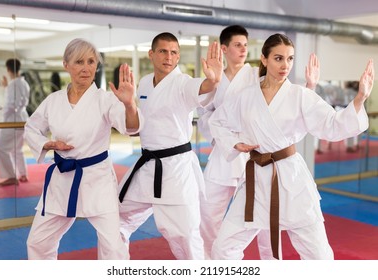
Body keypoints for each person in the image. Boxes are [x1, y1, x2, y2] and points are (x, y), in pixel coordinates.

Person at [209, 33, 374, 260]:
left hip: (291, 180)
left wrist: (359, 99)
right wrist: (234, 143)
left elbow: (332, 125)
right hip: (255, 182)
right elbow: (218, 121)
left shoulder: (301, 95)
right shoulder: (245, 96)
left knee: (319, 255)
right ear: (264, 59)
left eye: (290, 59)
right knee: (222, 249)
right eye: (278, 58)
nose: (285, 65)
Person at [197, 25, 320, 260]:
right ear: (224, 49)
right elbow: (206, 115)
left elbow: (286, 101)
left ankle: (271, 266)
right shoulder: (215, 78)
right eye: (237, 44)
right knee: (210, 217)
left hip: (257, 154)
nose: (243, 49)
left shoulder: (257, 75)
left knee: (266, 222)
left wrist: (310, 87)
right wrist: (229, 138)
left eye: (246, 44)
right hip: (226, 153)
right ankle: (212, 264)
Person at [24, 38, 142, 260]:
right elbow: (31, 128)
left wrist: (129, 105)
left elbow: (131, 126)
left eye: (91, 61)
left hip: (96, 179)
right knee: (38, 241)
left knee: (113, 246)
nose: (86, 68)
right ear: (66, 64)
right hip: (62, 178)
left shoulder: (105, 99)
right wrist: (47, 144)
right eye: (79, 61)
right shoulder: (53, 100)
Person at [117, 32, 223, 260]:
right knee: (114, 220)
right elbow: (136, 127)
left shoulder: (182, 82)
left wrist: (212, 81)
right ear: (151, 54)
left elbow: (201, 87)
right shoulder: (144, 82)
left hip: (176, 170)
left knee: (185, 235)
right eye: (163, 51)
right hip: (146, 166)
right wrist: (128, 105)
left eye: (174, 52)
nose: (169, 57)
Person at [0, 58, 30, 186]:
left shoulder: (13, 85)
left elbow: (11, 105)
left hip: (12, 119)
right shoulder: (24, 83)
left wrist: (2, 118)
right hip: (22, 118)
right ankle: (22, 174)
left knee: (1, 148)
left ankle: (11, 176)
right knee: (17, 149)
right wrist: (7, 87)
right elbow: (18, 101)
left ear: (8, 69)